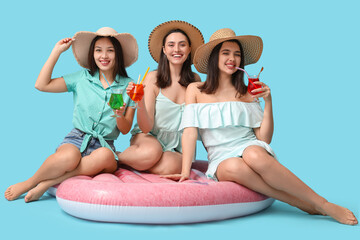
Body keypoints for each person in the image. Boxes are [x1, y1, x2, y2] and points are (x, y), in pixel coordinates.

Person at [164, 28, 358, 225]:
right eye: (226, 53)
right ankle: (298, 202)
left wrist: (269, 102)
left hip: (249, 146)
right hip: (220, 157)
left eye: (237, 54)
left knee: (254, 155)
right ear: (215, 57)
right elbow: (189, 132)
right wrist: (185, 171)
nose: (232, 59)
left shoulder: (248, 92)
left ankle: (322, 203)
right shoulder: (195, 90)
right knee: (234, 166)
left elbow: (263, 139)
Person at [5, 27, 138, 202]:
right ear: (92, 54)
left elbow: (126, 129)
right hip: (77, 138)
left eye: (110, 50)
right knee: (69, 157)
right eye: (98, 50)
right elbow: (41, 85)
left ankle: (49, 183)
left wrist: (119, 114)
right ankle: (31, 182)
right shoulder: (81, 78)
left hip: (104, 145)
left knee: (106, 156)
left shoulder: (129, 86)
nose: (103, 56)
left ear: (117, 54)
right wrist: (56, 52)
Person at [117, 20, 204, 175]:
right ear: (164, 49)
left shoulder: (195, 80)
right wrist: (140, 100)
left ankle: (140, 163)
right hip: (148, 137)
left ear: (189, 49)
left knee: (173, 166)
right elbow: (146, 127)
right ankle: (116, 157)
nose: (176, 49)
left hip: (178, 145)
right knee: (152, 152)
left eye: (182, 45)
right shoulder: (152, 78)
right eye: (171, 45)